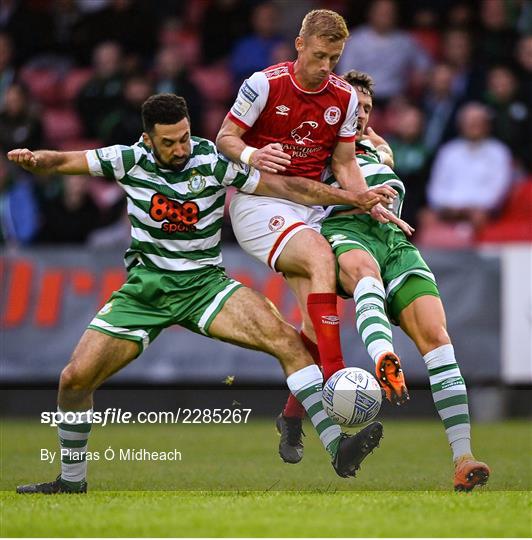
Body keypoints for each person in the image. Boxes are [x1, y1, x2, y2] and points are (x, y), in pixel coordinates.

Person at [9, 93, 393, 494]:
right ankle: (72, 481)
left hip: (205, 286)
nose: (180, 149)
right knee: (73, 380)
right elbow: (68, 161)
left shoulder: (212, 160)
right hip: (146, 291)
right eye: (169, 143)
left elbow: (286, 187)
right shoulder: (127, 159)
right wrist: (36, 160)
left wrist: (352, 197)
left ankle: (337, 446)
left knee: (287, 342)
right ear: (147, 139)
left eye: (185, 138)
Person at [216, 9, 410, 463]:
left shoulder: (342, 97)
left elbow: (345, 165)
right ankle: (338, 381)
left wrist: (368, 202)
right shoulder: (263, 84)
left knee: (313, 325)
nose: (327, 66)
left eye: (335, 58)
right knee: (322, 257)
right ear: (299, 44)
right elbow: (225, 136)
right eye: (320, 55)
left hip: (312, 207)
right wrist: (251, 152)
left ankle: (306, 425)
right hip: (259, 202)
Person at [318, 70, 490, 492]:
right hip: (347, 230)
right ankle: (382, 357)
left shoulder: (378, 147)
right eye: (352, 106)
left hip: (395, 239)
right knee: (365, 274)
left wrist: (374, 148)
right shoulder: (317, 147)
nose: (360, 115)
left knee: (438, 337)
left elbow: (378, 155)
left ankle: (463, 457)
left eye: (368, 109)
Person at [425, 102, 513, 233]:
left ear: (487, 124)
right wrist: (448, 208)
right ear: (461, 125)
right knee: (426, 218)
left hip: (481, 213)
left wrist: (470, 209)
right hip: (448, 212)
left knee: (479, 218)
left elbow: (498, 191)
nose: (474, 125)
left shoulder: (498, 152)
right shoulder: (449, 151)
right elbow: (436, 188)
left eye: (478, 121)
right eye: (469, 121)